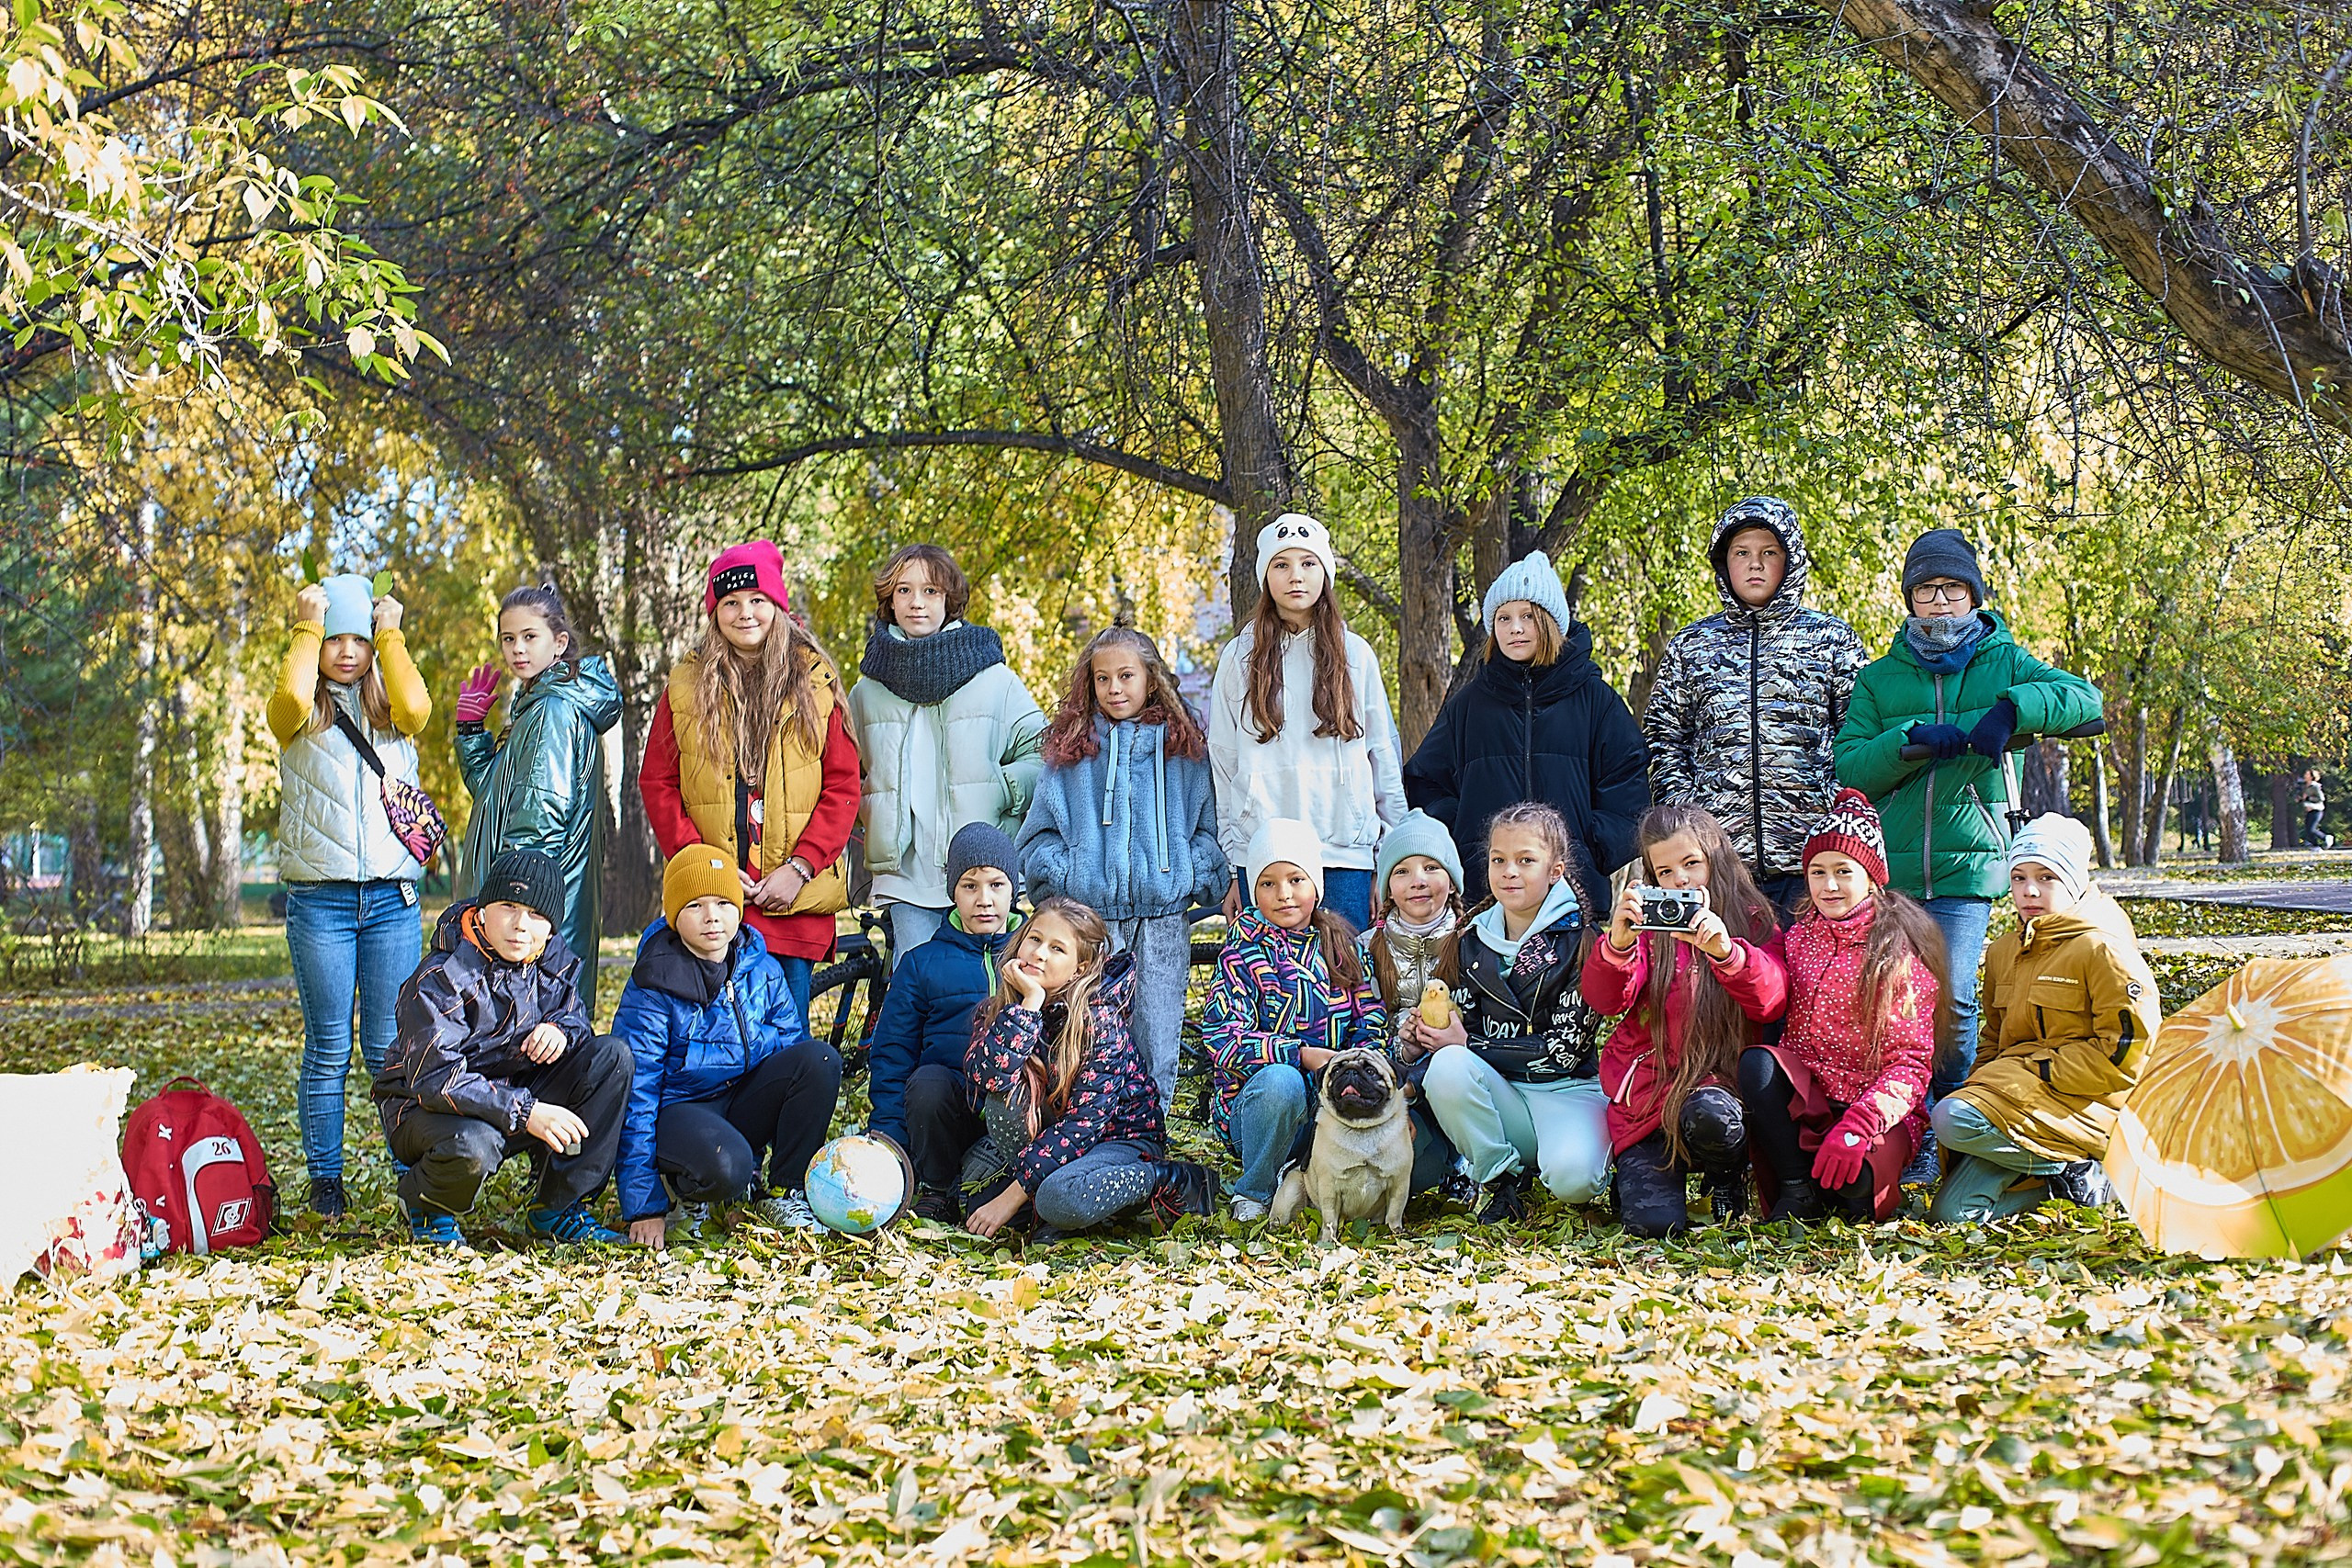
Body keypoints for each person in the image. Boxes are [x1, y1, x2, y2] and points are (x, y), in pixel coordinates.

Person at [1833, 526, 2101, 1101]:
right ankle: (1904, 1110)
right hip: (1893, 870)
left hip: (1970, 863)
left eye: (1953, 589)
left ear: (1973, 595)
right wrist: (1908, 740)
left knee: (1953, 997)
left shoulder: (2005, 660)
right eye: (1925, 590)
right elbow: (1850, 765)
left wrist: (2012, 710)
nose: (1940, 602)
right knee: (1891, 997)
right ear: (1910, 598)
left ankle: (1953, 1100)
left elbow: (2085, 699)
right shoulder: (1878, 678)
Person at [639, 542, 859, 1024]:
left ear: (777, 605)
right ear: (714, 612)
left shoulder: (815, 684)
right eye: (731, 603)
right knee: (713, 1039)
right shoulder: (685, 686)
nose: (745, 613)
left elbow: (842, 786)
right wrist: (705, 865)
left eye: (757, 600)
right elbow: (658, 781)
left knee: (785, 1041)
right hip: (714, 907)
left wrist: (800, 867)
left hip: (791, 903)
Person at [268, 573, 431, 1219]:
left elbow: (418, 705)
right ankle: (326, 1182)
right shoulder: (300, 715)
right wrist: (305, 627)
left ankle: (409, 1173)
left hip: (391, 901)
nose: (345, 651)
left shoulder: (393, 714)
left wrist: (391, 633)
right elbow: (286, 698)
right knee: (329, 1047)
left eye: (357, 639)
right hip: (321, 903)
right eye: (332, 639)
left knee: (391, 1048)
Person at [373, 849, 630, 1246]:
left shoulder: (549, 957)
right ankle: (428, 1203)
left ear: (551, 927)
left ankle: (556, 1208)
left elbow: (576, 1017)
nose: (520, 925)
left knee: (612, 1059)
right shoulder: (442, 977)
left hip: (513, 1097)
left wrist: (562, 1030)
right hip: (426, 1110)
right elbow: (437, 1079)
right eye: (509, 906)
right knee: (474, 1144)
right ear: (482, 910)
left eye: (536, 914)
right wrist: (526, 1111)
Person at [1019, 626, 1228, 1112]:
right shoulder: (1073, 752)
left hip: (1163, 922)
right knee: (1089, 1035)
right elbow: (1037, 837)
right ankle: (1088, 1131)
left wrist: (1186, 873)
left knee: (1158, 1035)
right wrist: (1071, 877)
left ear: (1151, 679)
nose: (1114, 688)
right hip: (1092, 924)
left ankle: (1150, 1136)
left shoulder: (1184, 751)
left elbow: (1210, 829)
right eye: (1102, 678)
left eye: (1126, 676)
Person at [1641, 497, 1868, 916]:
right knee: (1725, 960)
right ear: (1724, 563)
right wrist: (1690, 815)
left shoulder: (1832, 640)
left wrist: (1832, 804)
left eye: (1769, 553)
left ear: (1791, 560)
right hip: (1718, 865)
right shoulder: (1692, 646)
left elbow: (1857, 736)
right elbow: (1664, 738)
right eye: (1742, 553)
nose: (1755, 565)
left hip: (1813, 863)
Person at [611, 847, 845, 1246]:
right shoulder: (653, 984)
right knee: (728, 1167)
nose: (712, 917)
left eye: (723, 903)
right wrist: (644, 1206)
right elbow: (638, 1094)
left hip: (739, 1100)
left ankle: (787, 1192)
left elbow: (792, 1053)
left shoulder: (761, 967)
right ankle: (683, 1190)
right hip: (679, 1110)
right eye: (695, 906)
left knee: (818, 1059)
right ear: (673, 915)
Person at [1931, 816, 2159, 1223]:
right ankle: (2076, 1181)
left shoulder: (2103, 948)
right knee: (1955, 1215)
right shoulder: (2004, 951)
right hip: (2019, 1099)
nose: (2029, 891)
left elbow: (2128, 1055)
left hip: (2088, 1105)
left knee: (1952, 1119)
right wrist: (1982, 1087)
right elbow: (1994, 1037)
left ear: (2074, 880)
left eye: (2046, 877)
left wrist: (2035, 1069)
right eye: (2019, 878)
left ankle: (2087, 1162)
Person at [1739, 790, 1948, 1224]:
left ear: (1871, 878)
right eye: (1817, 872)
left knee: (1856, 1187)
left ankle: (1848, 1177)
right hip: (1810, 1101)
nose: (1829, 886)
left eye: (1843, 871)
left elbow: (1910, 1064)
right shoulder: (1799, 937)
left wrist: (1860, 1123)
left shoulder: (1897, 949)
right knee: (1758, 1064)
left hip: (1871, 1111)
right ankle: (1797, 1187)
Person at [962, 897, 1219, 1239]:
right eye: (1035, 939)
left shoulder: (1100, 1022)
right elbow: (988, 1079)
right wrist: (1028, 1008)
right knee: (999, 1110)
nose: (1039, 954)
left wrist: (1009, 1199)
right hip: (1054, 1143)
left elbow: (1082, 1127)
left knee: (1059, 1198)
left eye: (1057, 949)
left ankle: (1168, 1178)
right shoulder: (1007, 1009)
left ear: (1079, 968)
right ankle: (1040, 1203)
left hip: (1119, 1141)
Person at [1583, 805, 1786, 1236]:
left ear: (1716, 858)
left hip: (1717, 1087)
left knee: (1712, 1116)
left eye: (1691, 863)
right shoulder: (1646, 927)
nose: (1680, 880)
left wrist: (1727, 953)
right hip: (1649, 1094)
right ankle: (1638, 1175)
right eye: (1665, 871)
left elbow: (1771, 1002)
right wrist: (1617, 944)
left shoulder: (1752, 919)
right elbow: (1605, 1001)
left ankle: (1726, 1175)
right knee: (1653, 1225)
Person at [1403, 549, 1647, 907]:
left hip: (1573, 895)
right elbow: (1425, 783)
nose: (1515, 628)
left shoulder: (1597, 700)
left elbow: (1628, 790)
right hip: (1486, 899)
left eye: (1528, 616)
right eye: (1503, 618)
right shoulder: (1469, 705)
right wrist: (1467, 840)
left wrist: (1583, 847)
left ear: (1550, 622)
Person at [1408, 802, 1611, 1224]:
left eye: (1526, 860)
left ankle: (1563, 1155)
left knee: (1576, 1182)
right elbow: (1456, 1027)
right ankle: (1502, 1180)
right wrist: (1420, 1040)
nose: (1509, 872)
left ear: (1555, 871)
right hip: (1500, 1095)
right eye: (1498, 860)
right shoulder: (1469, 938)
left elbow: (1562, 1054)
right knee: (1446, 1066)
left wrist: (1469, 1043)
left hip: (1566, 1090)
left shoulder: (1583, 940)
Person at [847, 543, 1046, 968]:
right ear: (889, 601)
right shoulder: (867, 691)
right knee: (916, 989)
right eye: (904, 590)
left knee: (987, 989)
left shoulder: (993, 679)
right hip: (905, 876)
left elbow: (1042, 753)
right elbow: (843, 772)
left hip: (982, 875)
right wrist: (868, 809)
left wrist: (1002, 789)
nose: (916, 602)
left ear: (949, 600)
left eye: (931, 591)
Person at [1207, 513, 1406, 931]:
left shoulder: (1355, 655)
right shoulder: (1239, 658)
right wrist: (1233, 864)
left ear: (1324, 573)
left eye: (1308, 563)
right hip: (1264, 859)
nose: (1295, 575)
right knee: (1267, 971)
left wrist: (1388, 860)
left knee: (1344, 970)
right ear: (1265, 576)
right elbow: (1223, 764)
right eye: (1281, 564)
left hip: (1344, 856)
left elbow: (1383, 758)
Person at [1202, 818, 1387, 1222]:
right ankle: (1254, 1191)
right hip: (1260, 1112)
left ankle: (1326, 1180)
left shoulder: (1345, 947)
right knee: (1282, 1083)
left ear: (1316, 885)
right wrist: (1299, 1054)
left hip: (1334, 1103)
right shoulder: (1240, 954)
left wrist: (1355, 1067)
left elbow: (1371, 1021)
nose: (1284, 894)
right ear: (1253, 890)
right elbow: (1222, 1038)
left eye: (1296, 880)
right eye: (1268, 883)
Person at [452, 583, 621, 1008]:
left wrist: (514, 906)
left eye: (530, 637)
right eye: (508, 639)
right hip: (536, 904)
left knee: (535, 1019)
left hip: (532, 908)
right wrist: (472, 734)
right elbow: (496, 800)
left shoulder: (551, 710)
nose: (517, 649)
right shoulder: (537, 703)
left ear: (559, 642)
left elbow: (539, 821)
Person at [867, 824, 1025, 1222]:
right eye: (970, 886)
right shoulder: (921, 964)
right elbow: (892, 1058)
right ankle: (938, 1187)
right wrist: (889, 1142)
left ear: (1014, 889)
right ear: (953, 892)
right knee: (927, 1083)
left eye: (997, 885)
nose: (984, 900)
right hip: (950, 1115)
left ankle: (1008, 1187)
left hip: (1017, 1115)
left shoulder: (1035, 957)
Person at [1358, 809, 1472, 1199]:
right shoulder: (1364, 949)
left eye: (1431, 868)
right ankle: (1436, 1162)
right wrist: (1402, 1047)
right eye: (1402, 871)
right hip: (1397, 1088)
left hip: (1462, 1081)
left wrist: (1460, 1039)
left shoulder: (1476, 942)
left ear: (1452, 882)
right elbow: (1360, 1030)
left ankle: (1471, 1164)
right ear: (1387, 889)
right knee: (1419, 1171)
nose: (1418, 880)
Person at [2301, 768, 2333, 849]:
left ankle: (2326, 837)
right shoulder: (2306, 786)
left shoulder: (2315, 786)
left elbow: (2321, 798)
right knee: (2308, 831)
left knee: (2312, 829)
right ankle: (2316, 847)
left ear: (2311, 776)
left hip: (2317, 810)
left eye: (2307, 774)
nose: (2305, 775)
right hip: (2309, 810)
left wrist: (2308, 798)